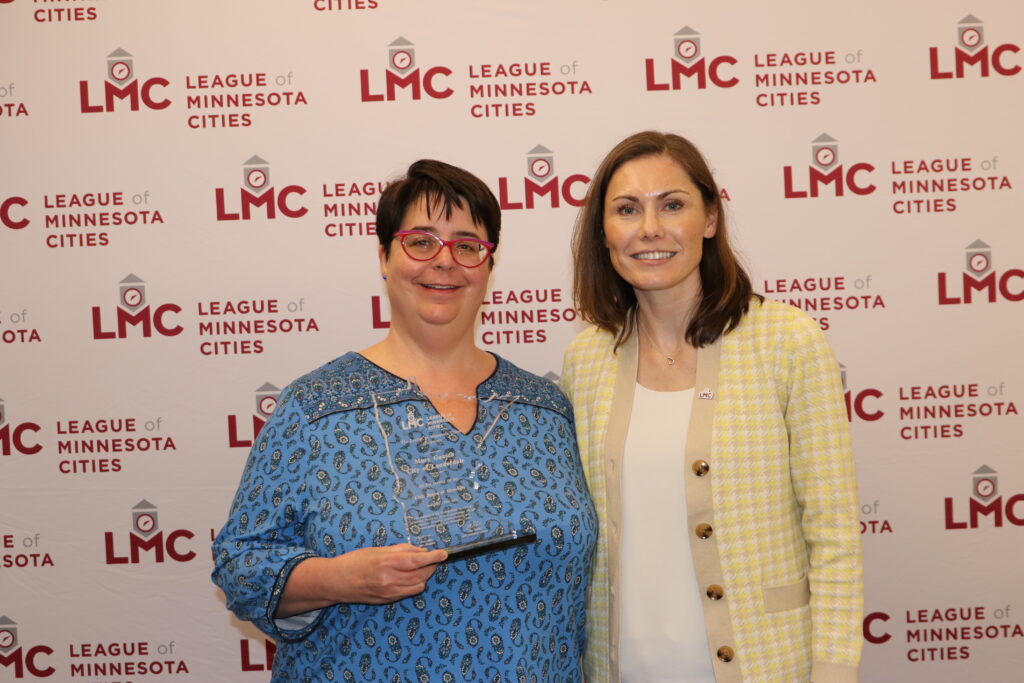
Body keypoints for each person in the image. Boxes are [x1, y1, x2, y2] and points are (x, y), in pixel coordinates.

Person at [213, 159, 597, 682]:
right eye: (421, 241)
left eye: (467, 246)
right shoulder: (317, 407)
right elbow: (240, 566)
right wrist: (340, 578)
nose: (444, 262)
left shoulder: (546, 409)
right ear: (384, 256)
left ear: (488, 265)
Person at [561, 132, 862, 683]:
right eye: (627, 209)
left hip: (767, 666)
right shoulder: (586, 360)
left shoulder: (787, 341)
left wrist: (835, 671)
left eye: (672, 205)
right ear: (604, 233)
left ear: (710, 218)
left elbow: (835, 532)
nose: (650, 228)